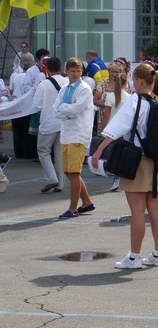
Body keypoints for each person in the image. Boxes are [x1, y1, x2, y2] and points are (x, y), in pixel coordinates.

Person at [92, 64, 158, 269]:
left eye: (134, 79)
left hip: (137, 160)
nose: (132, 82)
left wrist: (98, 151)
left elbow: (116, 128)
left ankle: (134, 257)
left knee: (137, 210)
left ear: (140, 81)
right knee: (156, 207)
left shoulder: (135, 100)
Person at [53, 58, 95, 218]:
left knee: (74, 172)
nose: (76, 74)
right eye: (73, 71)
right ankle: (86, 202)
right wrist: (66, 109)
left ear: (82, 72)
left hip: (79, 134)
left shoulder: (84, 88)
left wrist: (64, 108)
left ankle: (72, 208)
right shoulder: (64, 88)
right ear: (67, 71)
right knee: (67, 172)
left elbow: (77, 109)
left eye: (78, 71)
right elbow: (55, 110)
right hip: (66, 133)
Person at [33, 57, 69, 193]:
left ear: (47, 69)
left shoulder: (44, 84)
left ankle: (51, 178)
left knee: (43, 151)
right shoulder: (67, 82)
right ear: (61, 67)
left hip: (48, 122)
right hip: (64, 122)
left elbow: (37, 105)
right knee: (59, 153)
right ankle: (60, 184)